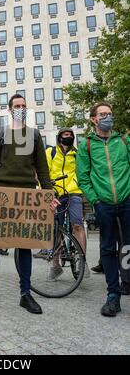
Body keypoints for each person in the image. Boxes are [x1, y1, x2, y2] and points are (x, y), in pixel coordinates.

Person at [0, 94, 58, 316]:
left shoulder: (35, 135)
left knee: (24, 246)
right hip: (1, 192)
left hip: (27, 194)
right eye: (17, 106)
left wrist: (49, 195)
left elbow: (42, 169)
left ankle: (25, 294)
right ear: (9, 110)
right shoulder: (0, 134)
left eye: (23, 106)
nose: (20, 108)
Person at [76, 102, 130, 317]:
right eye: (103, 114)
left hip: (127, 201)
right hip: (104, 204)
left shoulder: (124, 141)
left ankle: (127, 283)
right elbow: (83, 176)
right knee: (107, 249)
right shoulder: (87, 145)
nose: (107, 117)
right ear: (93, 119)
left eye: (109, 113)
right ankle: (112, 296)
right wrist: (95, 200)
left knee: (128, 246)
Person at [46, 128, 90, 279]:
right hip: (56, 193)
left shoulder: (77, 154)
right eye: (66, 135)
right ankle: (56, 264)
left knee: (77, 225)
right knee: (56, 228)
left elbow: (83, 172)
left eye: (71, 135)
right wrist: (47, 186)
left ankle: (82, 261)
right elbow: (43, 172)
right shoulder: (51, 153)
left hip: (74, 192)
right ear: (59, 138)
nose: (69, 137)